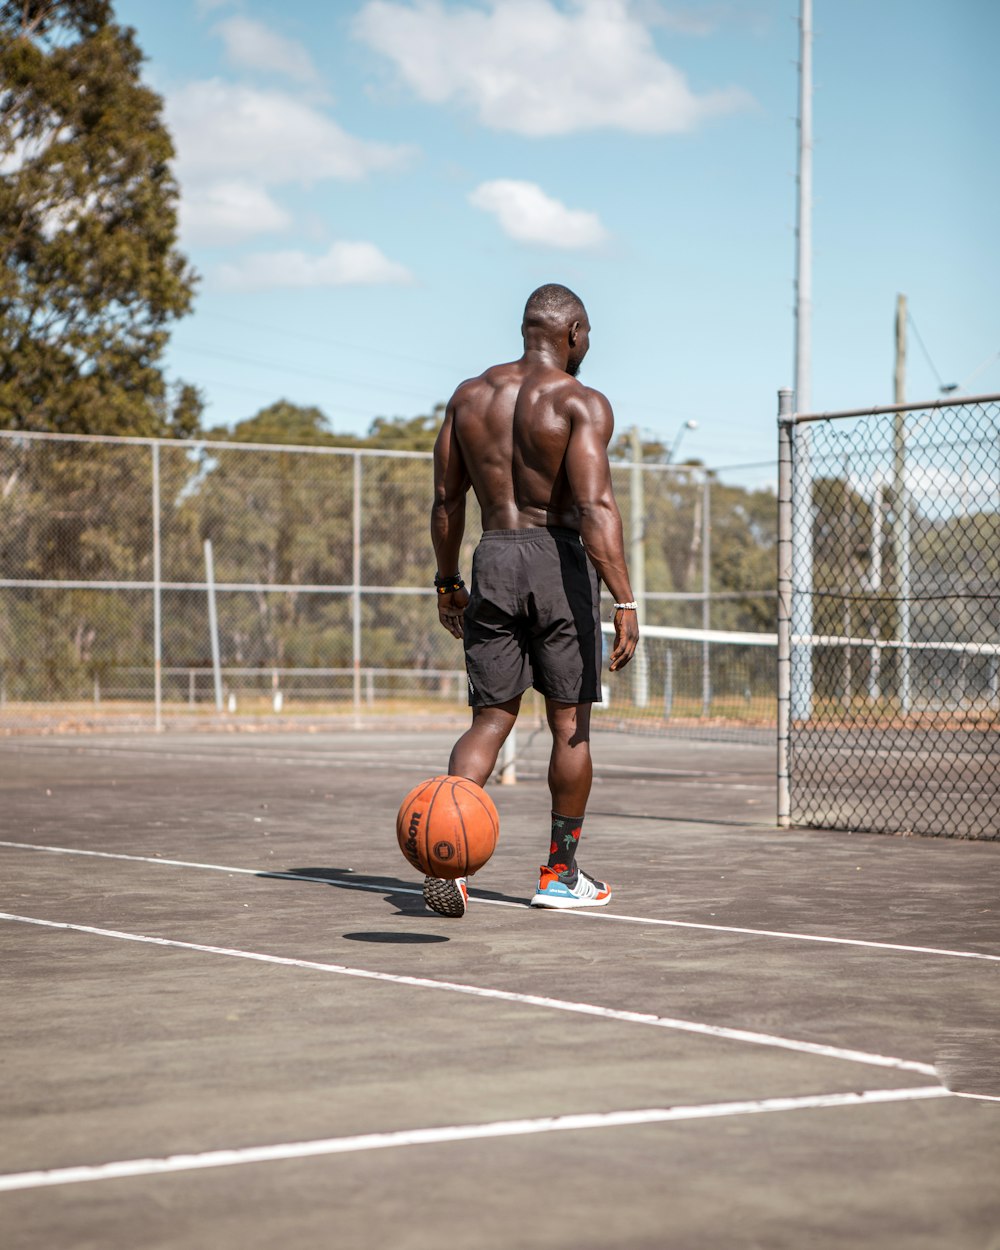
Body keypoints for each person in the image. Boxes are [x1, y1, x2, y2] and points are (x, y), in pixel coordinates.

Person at [426, 283, 639, 918]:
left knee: (490, 720)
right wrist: (624, 601)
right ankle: (558, 874)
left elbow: (445, 502)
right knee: (569, 726)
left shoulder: (469, 397)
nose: (589, 346)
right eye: (589, 335)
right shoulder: (579, 401)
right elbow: (597, 506)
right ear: (572, 332)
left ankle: (450, 858)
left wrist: (447, 582)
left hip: (492, 555)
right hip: (556, 559)